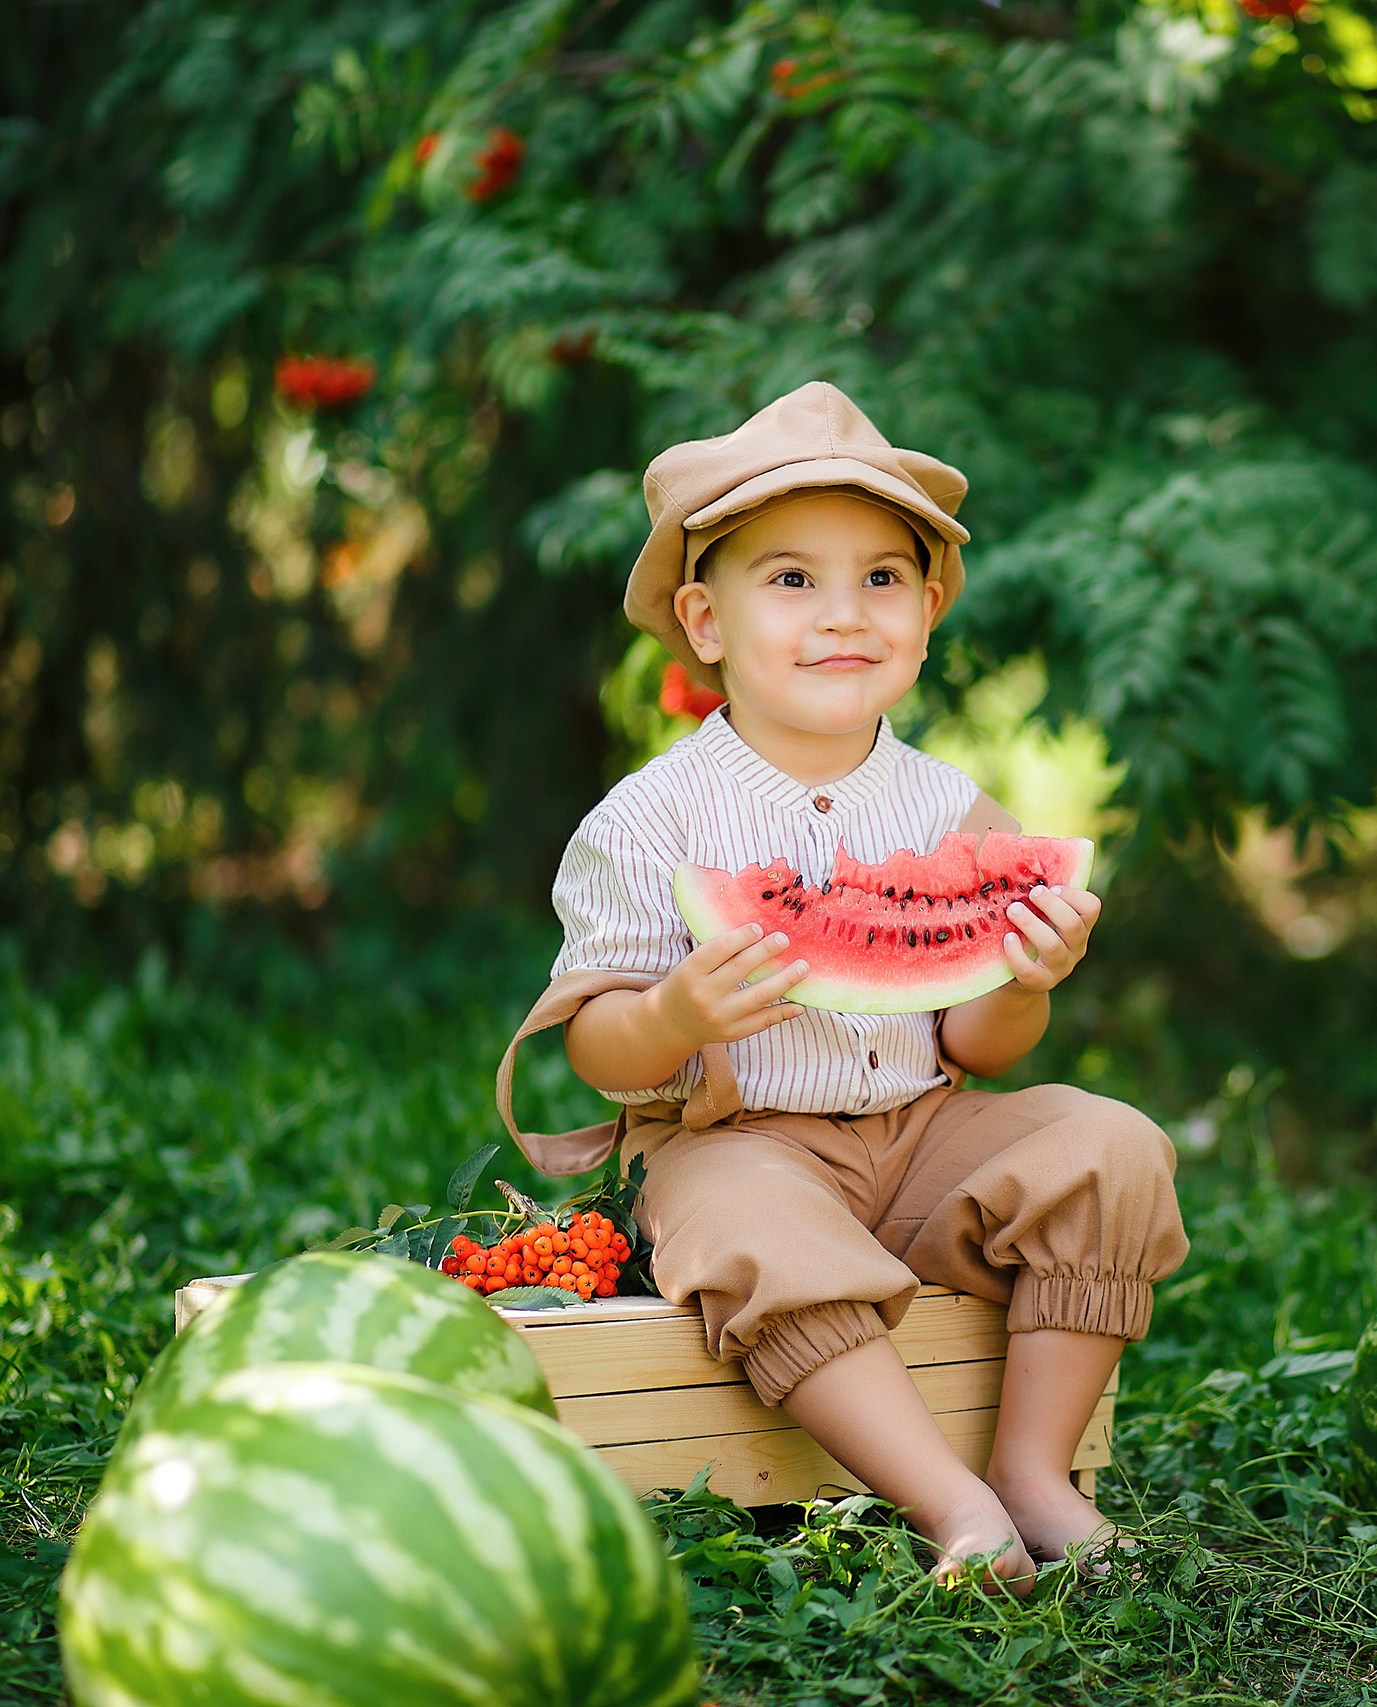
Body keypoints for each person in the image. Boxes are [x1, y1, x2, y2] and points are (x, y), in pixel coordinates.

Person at [493, 382, 1188, 1587]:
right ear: (706, 622)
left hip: (924, 1139)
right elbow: (592, 1048)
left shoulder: (946, 805)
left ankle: (1032, 1468)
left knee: (1112, 1142)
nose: (842, 615)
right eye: (793, 580)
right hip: (736, 1141)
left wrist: (1024, 977)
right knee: (752, 1230)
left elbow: (982, 1049)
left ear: (924, 617)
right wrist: (672, 1016)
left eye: (879, 580)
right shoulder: (650, 818)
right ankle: (947, 1499)